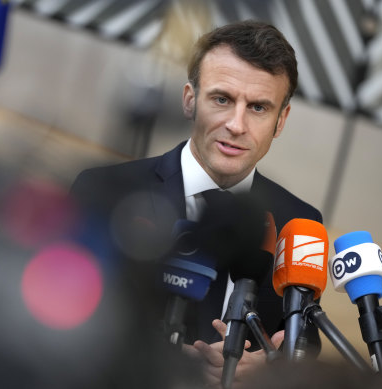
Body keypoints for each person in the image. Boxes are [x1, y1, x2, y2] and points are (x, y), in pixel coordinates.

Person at [71, 20, 322, 387]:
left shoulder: (298, 222)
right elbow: (64, 306)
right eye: (222, 99)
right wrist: (157, 355)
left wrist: (273, 364)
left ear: (280, 120)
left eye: (258, 108)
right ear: (190, 100)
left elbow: (305, 338)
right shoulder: (106, 190)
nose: (236, 125)